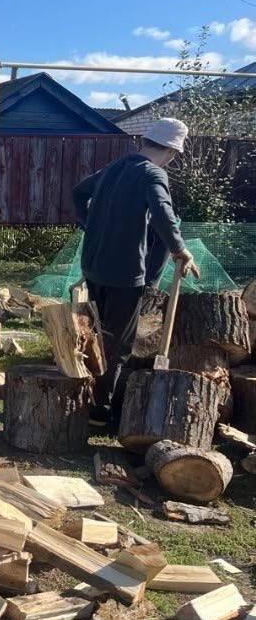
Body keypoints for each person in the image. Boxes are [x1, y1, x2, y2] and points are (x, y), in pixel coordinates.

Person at [72, 117, 200, 426]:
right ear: (172, 151)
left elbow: (78, 193)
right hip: (124, 273)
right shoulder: (153, 174)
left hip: (95, 264)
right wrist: (180, 250)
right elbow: (163, 213)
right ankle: (100, 410)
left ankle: (85, 396)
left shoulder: (115, 168)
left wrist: (90, 224)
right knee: (118, 343)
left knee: (96, 333)